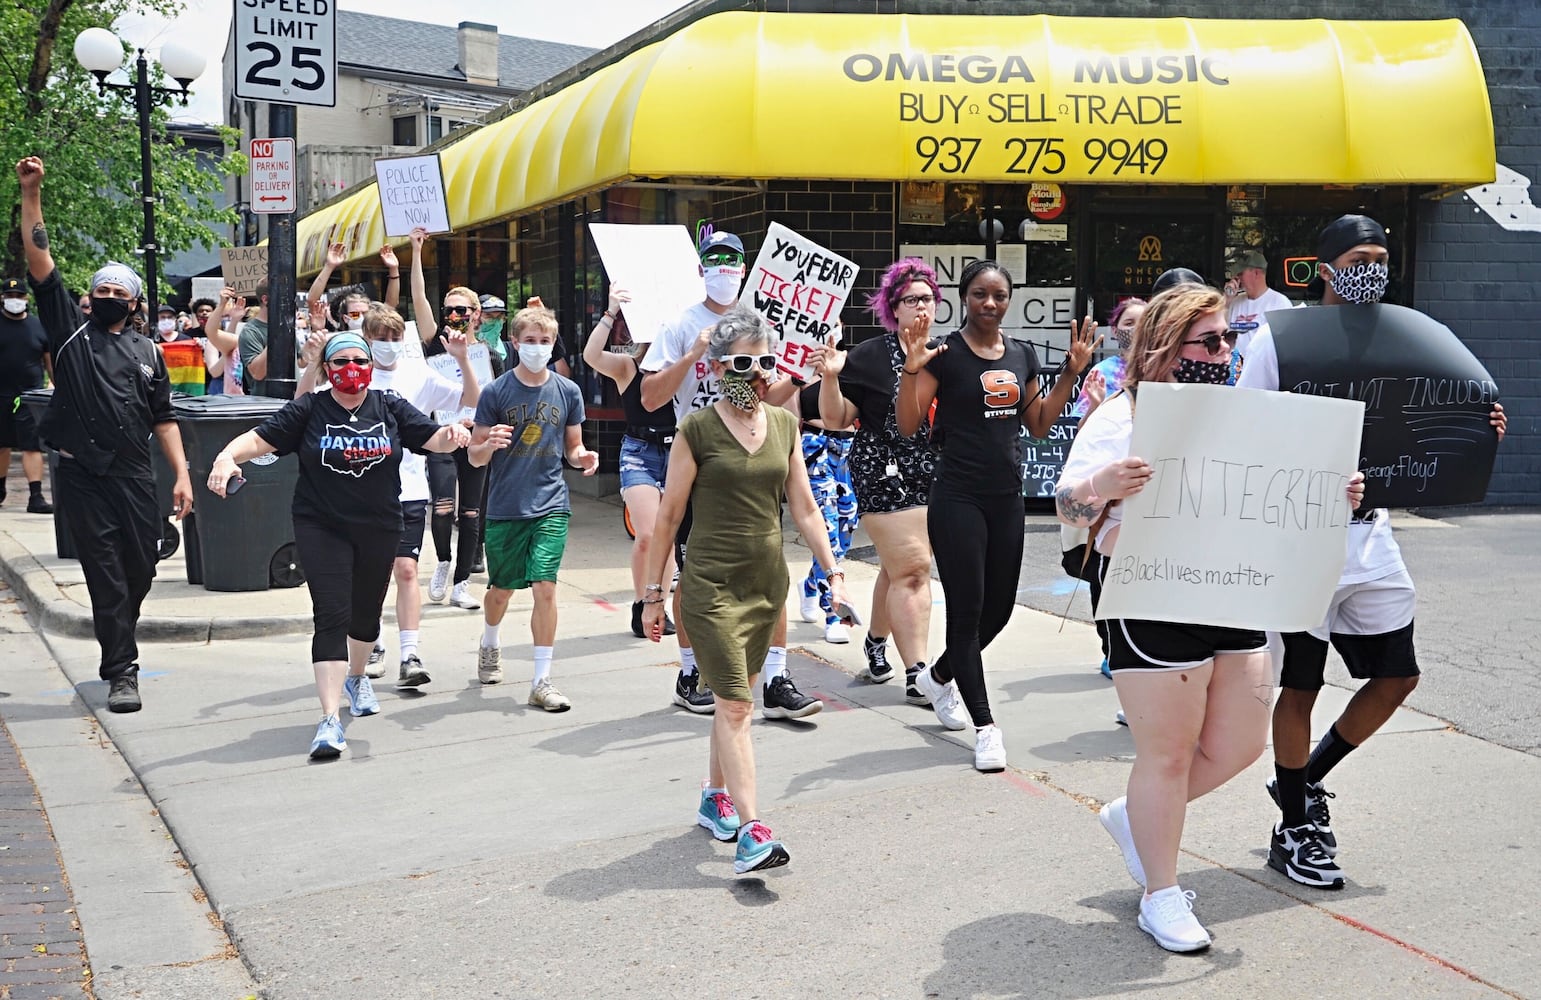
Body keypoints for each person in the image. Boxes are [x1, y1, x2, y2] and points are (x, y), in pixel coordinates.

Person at [1053, 283, 1359, 952]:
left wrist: (1331, 488)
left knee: (1240, 744)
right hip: (1151, 595)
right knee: (1164, 754)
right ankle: (1160, 894)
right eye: (1210, 341)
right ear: (1167, 347)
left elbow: (1281, 493)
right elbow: (1068, 509)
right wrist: (1100, 487)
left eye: (1229, 339)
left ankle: (1134, 818)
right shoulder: (1121, 414)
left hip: (1231, 590)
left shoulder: (1247, 414)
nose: (1225, 351)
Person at [1238, 215, 1507, 890]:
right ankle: (1297, 826)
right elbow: (1244, 430)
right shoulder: (1279, 338)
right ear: (1323, 267)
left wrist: (1476, 431)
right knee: (1300, 683)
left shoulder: (1402, 332)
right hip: (1299, 541)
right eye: (1359, 258)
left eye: (1381, 259)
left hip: (1372, 535)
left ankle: (1301, 784)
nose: (1372, 270)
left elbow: (1428, 412)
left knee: (1397, 677)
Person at [642, 304, 851, 874]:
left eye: (766, 360)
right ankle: (754, 831)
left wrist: (832, 571)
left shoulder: (783, 424)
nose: (758, 373)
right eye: (744, 362)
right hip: (709, 584)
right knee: (737, 705)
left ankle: (716, 797)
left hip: (765, 584)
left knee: (733, 703)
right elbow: (667, 519)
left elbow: (805, 508)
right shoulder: (697, 431)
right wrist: (654, 595)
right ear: (715, 368)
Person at [207, 333, 469, 758]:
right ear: (327, 368)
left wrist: (454, 434)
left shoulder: (388, 406)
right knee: (331, 615)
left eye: (359, 359)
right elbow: (259, 439)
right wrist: (225, 457)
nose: (352, 367)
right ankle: (329, 720)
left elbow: (432, 438)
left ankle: (358, 676)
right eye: (341, 360)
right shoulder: (310, 408)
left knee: (365, 616)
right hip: (321, 525)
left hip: (380, 525)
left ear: (371, 365)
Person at [896, 259, 1096, 771]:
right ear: (964, 297)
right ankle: (986, 727)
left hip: (1005, 495)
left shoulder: (1024, 354)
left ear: (1009, 300)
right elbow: (907, 423)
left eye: (999, 295)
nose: (990, 303)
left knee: (999, 611)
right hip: (957, 496)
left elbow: (1039, 424)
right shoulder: (943, 354)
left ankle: (939, 677)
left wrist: (1071, 373)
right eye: (980, 294)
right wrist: (913, 368)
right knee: (967, 613)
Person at [15, 155, 195, 713]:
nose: (110, 293)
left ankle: (120, 631)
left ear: (135, 301)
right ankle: (122, 669)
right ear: (90, 298)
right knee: (106, 575)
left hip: (135, 473)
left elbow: (163, 418)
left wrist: (182, 474)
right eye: (102, 287)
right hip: (84, 475)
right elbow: (39, 257)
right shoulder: (71, 332)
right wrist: (31, 193)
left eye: (121, 288)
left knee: (141, 564)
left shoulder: (149, 353)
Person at [641, 229, 821, 720]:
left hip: (754, 451)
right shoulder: (680, 324)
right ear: (701, 267)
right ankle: (689, 670)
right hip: (700, 459)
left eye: (732, 259)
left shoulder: (759, 322)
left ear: (744, 267)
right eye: (714, 258)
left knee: (771, 569)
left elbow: (770, 397)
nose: (724, 267)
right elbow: (651, 397)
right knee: (691, 576)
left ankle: (777, 677)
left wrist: (802, 374)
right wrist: (694, 355)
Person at [298, 306, 480, 690]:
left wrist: (462, 359)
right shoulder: (348, 373)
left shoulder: (416, 374)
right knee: (363, 579)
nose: (389, 346)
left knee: (407, 570)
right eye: (380, 338)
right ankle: (371, 644)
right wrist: (313, 363)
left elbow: (470, 399)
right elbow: (301, 409)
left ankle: (409, 653)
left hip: (409, 489)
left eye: (396, 338)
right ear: (366, 339)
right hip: (355, 493)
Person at [813, 258, 941, 700]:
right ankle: (919, 674)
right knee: (914, 567)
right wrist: (830, 378)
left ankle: (875, 642)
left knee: (897, 566)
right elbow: (836, 418)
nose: (920, 307)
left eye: (927, 298)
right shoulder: (868, 356)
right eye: (910, 300)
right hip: (880, 466)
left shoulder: (947, 353)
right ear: (893, 307)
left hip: (933, 470)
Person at [468, 303, 598, 710]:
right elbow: (475, 456)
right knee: (502, 590)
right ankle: (490, 640)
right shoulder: (496, 392)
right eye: (530, 341)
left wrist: (583, 458)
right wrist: (486, 445)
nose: (538, 348)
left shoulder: (568, 391)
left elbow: (573, 447)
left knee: (544, 586)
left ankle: (542, 680)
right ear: (515, 343)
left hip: (550, 502)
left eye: (545, 342)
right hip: (507, 505)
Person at [579, 286, 681, 646]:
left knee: (667, 539)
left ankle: (660, 605)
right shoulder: (628, 365)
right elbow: (591, 356)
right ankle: (642, 603)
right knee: (648, 535)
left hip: (677, 451)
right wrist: (610, 313)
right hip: (638, 450)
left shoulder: (682, 365)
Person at [409, 228, 489, 610]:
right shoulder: (435, 343)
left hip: (476, 437)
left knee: (471, 512)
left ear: (476, 315)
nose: (455, 315)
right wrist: (415, 253)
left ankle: (462, 582)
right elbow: (419, 300)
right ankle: (442, 562)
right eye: (450, 310)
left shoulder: (490, 351)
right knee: (442, 507)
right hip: (442, 434)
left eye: (462, 310)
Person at [1071, 297, 1147, 681]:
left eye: (1142, 321)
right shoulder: (1105, 371)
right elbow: (1084, 441)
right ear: (1115, 328)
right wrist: (1096, 406)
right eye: (1127, 322)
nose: (1134, 329)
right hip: (1110, 501)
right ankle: (1111, 646)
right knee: (1104, 572)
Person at [795, 380, 859, 643]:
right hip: (815, 446)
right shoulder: (797, 369)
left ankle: (811, 584)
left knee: (846, 527)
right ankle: (833, 614)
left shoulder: (851, 364)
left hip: (849, 448)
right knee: (828, 527)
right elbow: (790, 418)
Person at [0, 277, 55, 513]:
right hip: (1, 395)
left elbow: (49, 362)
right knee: (1, 445)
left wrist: (58, 385)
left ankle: (36, 496)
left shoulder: (38, 326)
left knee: (32, 446)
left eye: (19, 296)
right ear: (2, 298)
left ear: (26, 298)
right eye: (10, 296)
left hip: (30, 396)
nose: (15, 300)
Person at [1224, 250, 1293, 356]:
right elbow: (1220, 332)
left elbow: (1285, 345)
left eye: (1240, 273)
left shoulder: (1280, 303)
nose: (1236, 277)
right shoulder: (1234, 301)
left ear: (1256, 273)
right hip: (1234, 368)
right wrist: (1227, 301)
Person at [235, 279, 271, 392]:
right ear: (265, 300)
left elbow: (301, 362)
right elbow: (257, 373)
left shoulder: (288, 326)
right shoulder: (250, 332)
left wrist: (316, 331)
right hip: (267, 405)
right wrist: (277, 335)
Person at [477, 295, 510, 377]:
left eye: (499, 317)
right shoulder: (464, 350)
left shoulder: (513, 351)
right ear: (476, 317)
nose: (495, 322)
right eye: (489, 316)